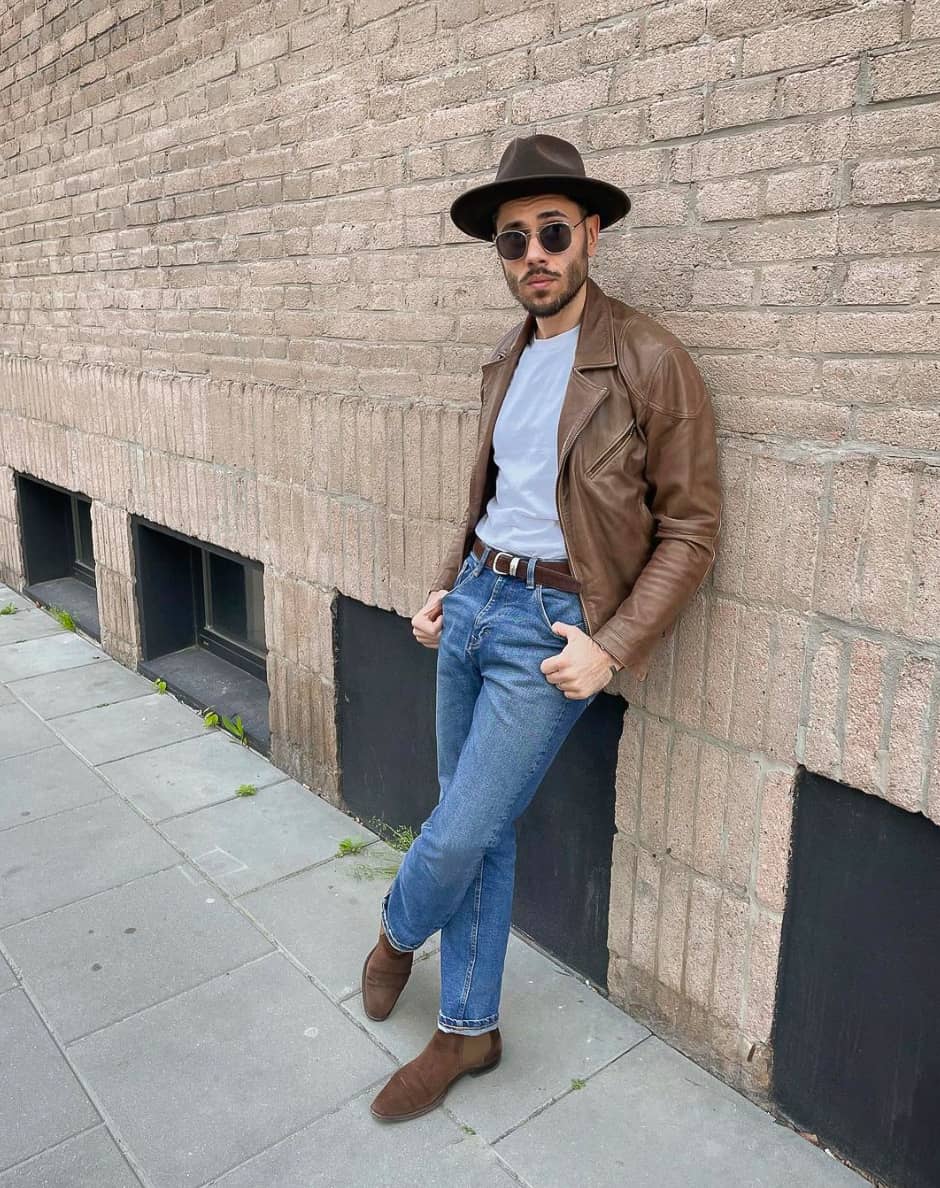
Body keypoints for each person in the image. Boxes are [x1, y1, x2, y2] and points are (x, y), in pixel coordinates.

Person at [361, 134, 722, 1123]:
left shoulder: (649, 360)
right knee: (480, 830)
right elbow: (488, 499)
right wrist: (445, 586)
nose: (533, 254)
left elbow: (691, 530)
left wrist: (610, 648)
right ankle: (469, 1031)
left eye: (552, 231)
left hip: (553, 629)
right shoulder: (503, 360)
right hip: (476, 602)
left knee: (459, 830)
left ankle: (395, 933)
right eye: (513, 240)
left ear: (591, 235)